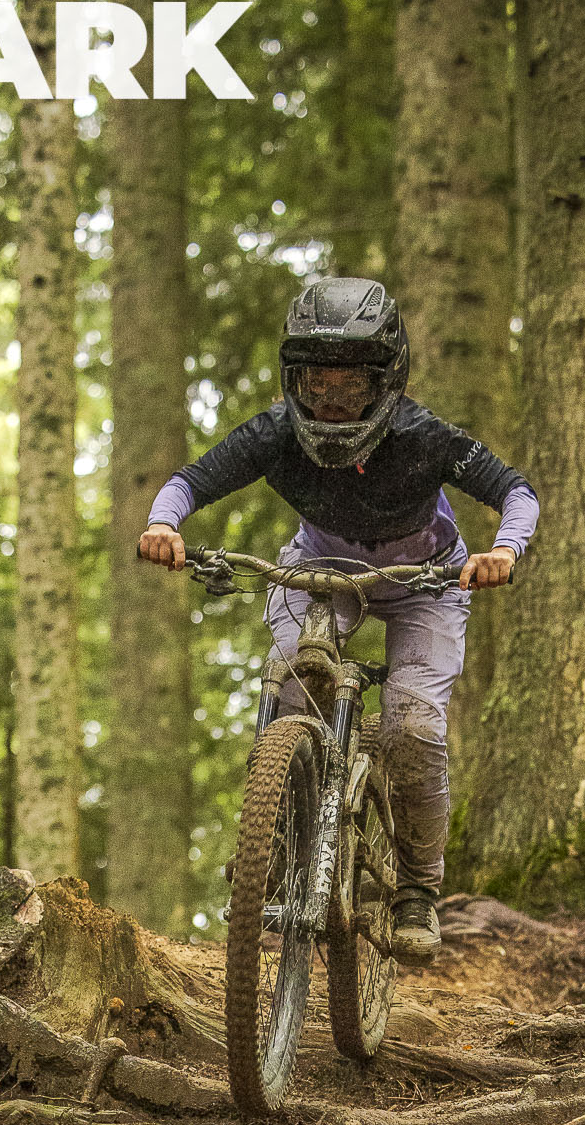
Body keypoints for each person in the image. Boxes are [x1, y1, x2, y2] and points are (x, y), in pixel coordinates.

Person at [137, 275, 538, 959]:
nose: (330, 400)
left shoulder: (423, 435)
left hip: (427, 578)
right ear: (292, 379)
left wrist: (503, 549)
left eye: (350, 387)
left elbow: (515, 491)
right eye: (316, 383)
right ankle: (274, 838)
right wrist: (162, 525)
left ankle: (417, 888)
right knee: (296, 679)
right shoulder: (273, 433)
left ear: (385, 383)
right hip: (320, 570)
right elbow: (190, 481)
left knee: (413, 723)